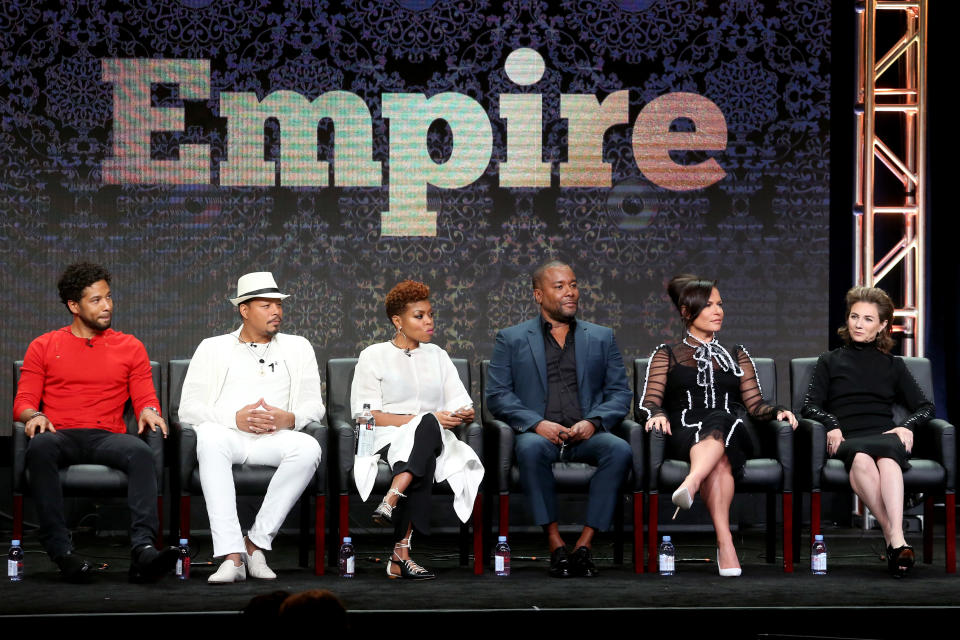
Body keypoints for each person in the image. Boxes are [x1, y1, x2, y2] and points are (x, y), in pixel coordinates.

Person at [13, 262, 177, 583]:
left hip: (106, 437)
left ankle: (143, 550)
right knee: (41, 446)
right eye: (96, 300)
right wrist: (35, 416)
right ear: (74, 306)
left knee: (140, 452)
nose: (107, 306)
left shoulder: (129, 346)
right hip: (60, 434)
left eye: (109, 297)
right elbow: (24, 403)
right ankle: (61, 551)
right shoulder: (44, 346)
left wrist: (148, 409)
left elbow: (145, 394)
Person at [639, 274, 797, 577]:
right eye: (708, 305)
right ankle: (725, 544)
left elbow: (755, 404)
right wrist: (656, 414)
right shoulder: (667, 354)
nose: (718, 311)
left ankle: (691, 482)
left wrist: (777, 410)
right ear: (687, 313)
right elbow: (649, 401)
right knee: (720, 461)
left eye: (720, 304)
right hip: (685, 428)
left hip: (734, 429)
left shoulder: (736, 355)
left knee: (723, 417)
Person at [485, 260, 632, 578]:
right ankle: (555, 545)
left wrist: (593, 421)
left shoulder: (602, 337)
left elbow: (620, 394)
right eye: (560, 286)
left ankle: (584, 546)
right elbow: (497, 396)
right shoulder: (511, 339)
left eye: (574, 284)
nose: (571, 292)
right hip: (541, 434)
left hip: (586, 433)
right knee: (529, 449)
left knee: (619, 450)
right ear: (538, 295)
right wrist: (537, 424)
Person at [179, 272, 324, 584]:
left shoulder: (298, 348)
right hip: (228, 435)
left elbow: (315, 405)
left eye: (278, 305)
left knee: (309, 448)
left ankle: (255, 544)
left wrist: (291, 419)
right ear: (244, 310)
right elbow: (188, 408)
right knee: (210, 439)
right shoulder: (213, 347)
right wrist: (234, 419)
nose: (276, 311)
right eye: (266, 305)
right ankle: (231, 556)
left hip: (274, 438)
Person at [351, 280, 483, 580]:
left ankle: (392, 499)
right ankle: (400, 554)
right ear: (398, 321)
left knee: (427, 432)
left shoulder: (438, 355)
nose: (429, 322)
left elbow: (461, 403)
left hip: (434, 438)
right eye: (419, 316)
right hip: (387, 438)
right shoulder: (373, 356)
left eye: (430, 315)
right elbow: (366, 416)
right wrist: (423, 419)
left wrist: (464, 412)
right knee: (424, 435)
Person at [801, 285, 933, 577]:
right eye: (854, 317)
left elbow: (925, 407)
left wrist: (906, 426)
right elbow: (809, 407)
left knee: (887, 456)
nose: (859, 324)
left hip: (884, 435)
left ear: (883, 325)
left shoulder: (893, 365)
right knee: (860, 457)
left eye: (868, 319)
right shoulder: (829, 361)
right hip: (849, 437)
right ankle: (896, 539)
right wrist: (832, 426)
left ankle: (893, 540)